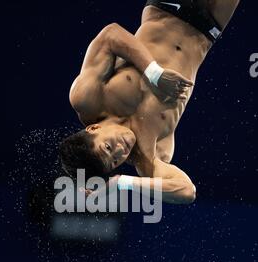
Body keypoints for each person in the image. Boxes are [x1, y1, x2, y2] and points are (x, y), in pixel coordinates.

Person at [59, 0, 240, 204]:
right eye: (116, 161)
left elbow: (111, 35)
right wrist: (122, 182)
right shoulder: (150, 156)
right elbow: (187, 191)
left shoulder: (87, 99)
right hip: (208, 29)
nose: (121, 150)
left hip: (166, 7)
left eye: (108, 148)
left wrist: (154, 74)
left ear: (93, 129)